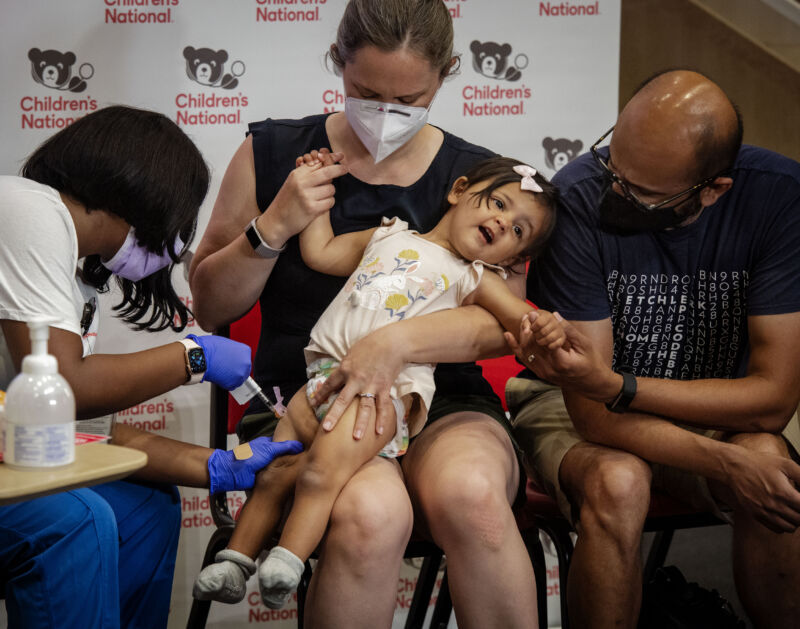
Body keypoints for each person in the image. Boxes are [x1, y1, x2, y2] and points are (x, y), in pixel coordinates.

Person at [189, 1, 541, 626]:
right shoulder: (274, 154)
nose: (385, 113)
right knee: (370, 516)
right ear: (338, 63)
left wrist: (396, 345)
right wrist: (274, 226)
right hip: (307, 396)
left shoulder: (485, 184)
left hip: (440, 400)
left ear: (446, 76)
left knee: (476, 499)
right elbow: (211, 306)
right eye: (366, 91)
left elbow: (500, 326)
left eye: (409, 98)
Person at [193, 154, 561, 608]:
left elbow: (517, 323)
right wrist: (316, 196)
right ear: (459, 190)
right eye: (499, 204)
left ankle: (288, 559)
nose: (503, 223)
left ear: (515, 259)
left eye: (518, 231)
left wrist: (542, 326)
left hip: (378, 400)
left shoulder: (475, 278)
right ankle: (235, 562)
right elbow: (320, 251)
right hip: (320, 380)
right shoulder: (387, 234)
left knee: (319, 474)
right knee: (275, 472)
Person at [504, 69, 800, 628]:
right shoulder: (577, 198)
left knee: (771, 471)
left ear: (714, 190)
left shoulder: (780, 199)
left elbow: (772, 401)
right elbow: (594, 413)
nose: (615, 193)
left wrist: (739, 456)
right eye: (613, 164)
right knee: (618, 481)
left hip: (707, 406)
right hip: (576, 405)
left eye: (643, 194)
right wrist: (725, 461)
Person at [0, 105, 302, 629]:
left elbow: (67, 429)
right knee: (78, 520)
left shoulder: (74, 279)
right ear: (143, 192)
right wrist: (193, 357)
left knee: (146, 510)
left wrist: (214, 465)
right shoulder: (28, 208)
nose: (177, 242)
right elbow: (66, 386)